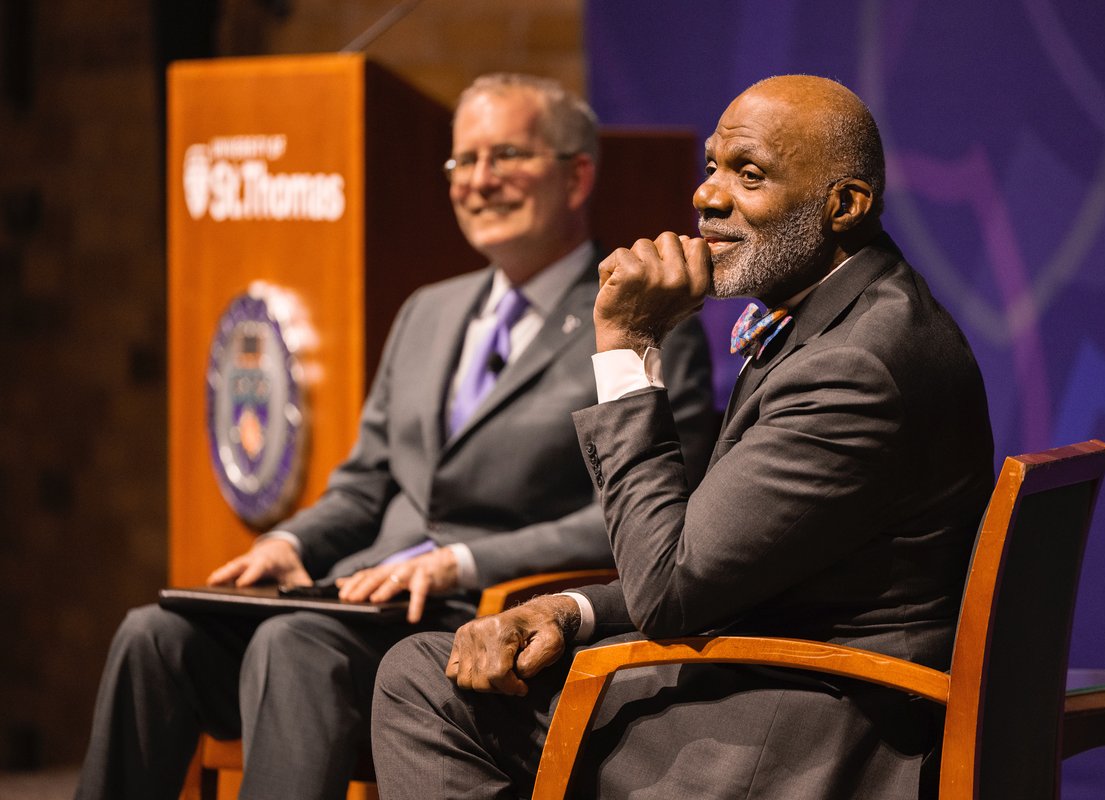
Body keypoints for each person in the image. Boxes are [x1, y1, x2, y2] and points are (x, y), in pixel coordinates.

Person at [75, 73, 713, 800]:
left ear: (576, 176)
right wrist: (291, 544)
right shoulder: (427, 312)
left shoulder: (638, 322)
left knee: (295, 643)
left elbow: (647, 516)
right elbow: (366, 480)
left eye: (506, 155)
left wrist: (460, 561)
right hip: (364, 594)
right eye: (464, 161)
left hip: (480, 616)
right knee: (153, 634)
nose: (481, 179)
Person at [371, 74, 995, 799]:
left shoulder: (854, 365)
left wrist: (627, 346)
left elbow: (672, 588)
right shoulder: (850, 315)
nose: (707, 196)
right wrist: (566, 613)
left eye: (749, 174)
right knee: (436, 663)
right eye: (712, 167)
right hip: (772, 674)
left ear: (844, 206)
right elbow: (725, 559)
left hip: (809, 731)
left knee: (422, 681)